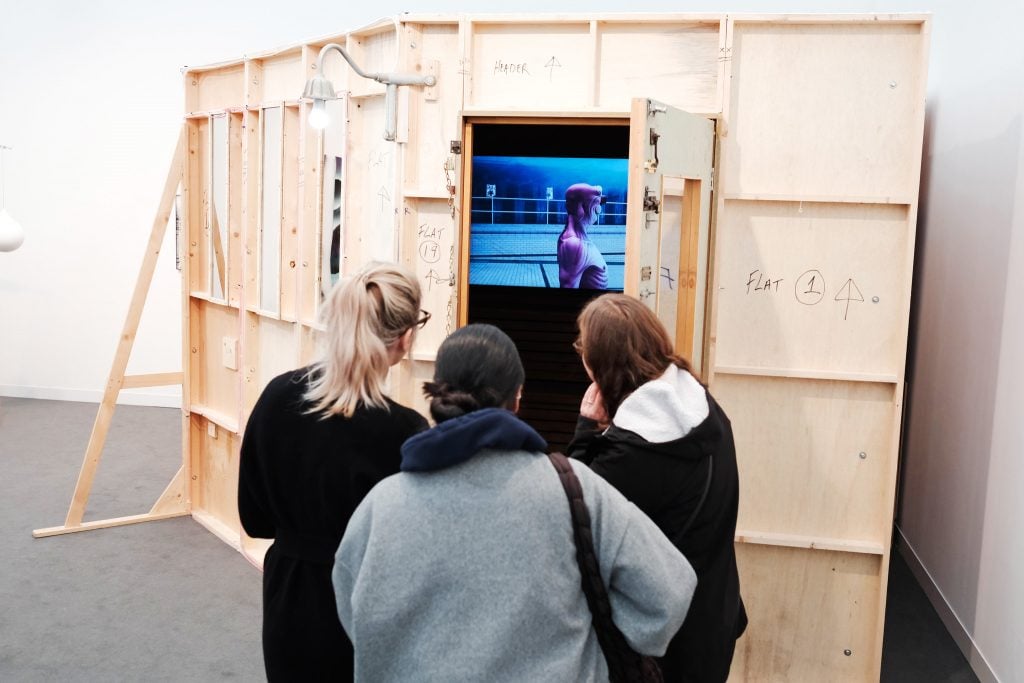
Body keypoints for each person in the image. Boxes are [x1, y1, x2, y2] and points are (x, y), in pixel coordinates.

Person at [333, 323, 696, 682]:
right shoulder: (573, 488)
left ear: (437, 397)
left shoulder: (381, 506)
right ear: (518, 398)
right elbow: (669, 591)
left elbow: (354, 609)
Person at [238, 261, 430, 681]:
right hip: (367, 605)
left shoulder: (275, 398)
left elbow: (253, 519)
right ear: (406, 337)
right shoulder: (404, 431)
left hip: (288, 598)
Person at [567, 293, 748, 683]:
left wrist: (585, 431)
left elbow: (573, 516)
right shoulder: (703, 407)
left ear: (602, 365)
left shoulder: (629, 455)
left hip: (662, 642)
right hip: (715, 615)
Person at [557, 182, 609, 289]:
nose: (599, 209)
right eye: (597, 203)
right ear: (582, 208)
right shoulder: (573, 244)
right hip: (590, 305)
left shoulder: (578, 240)